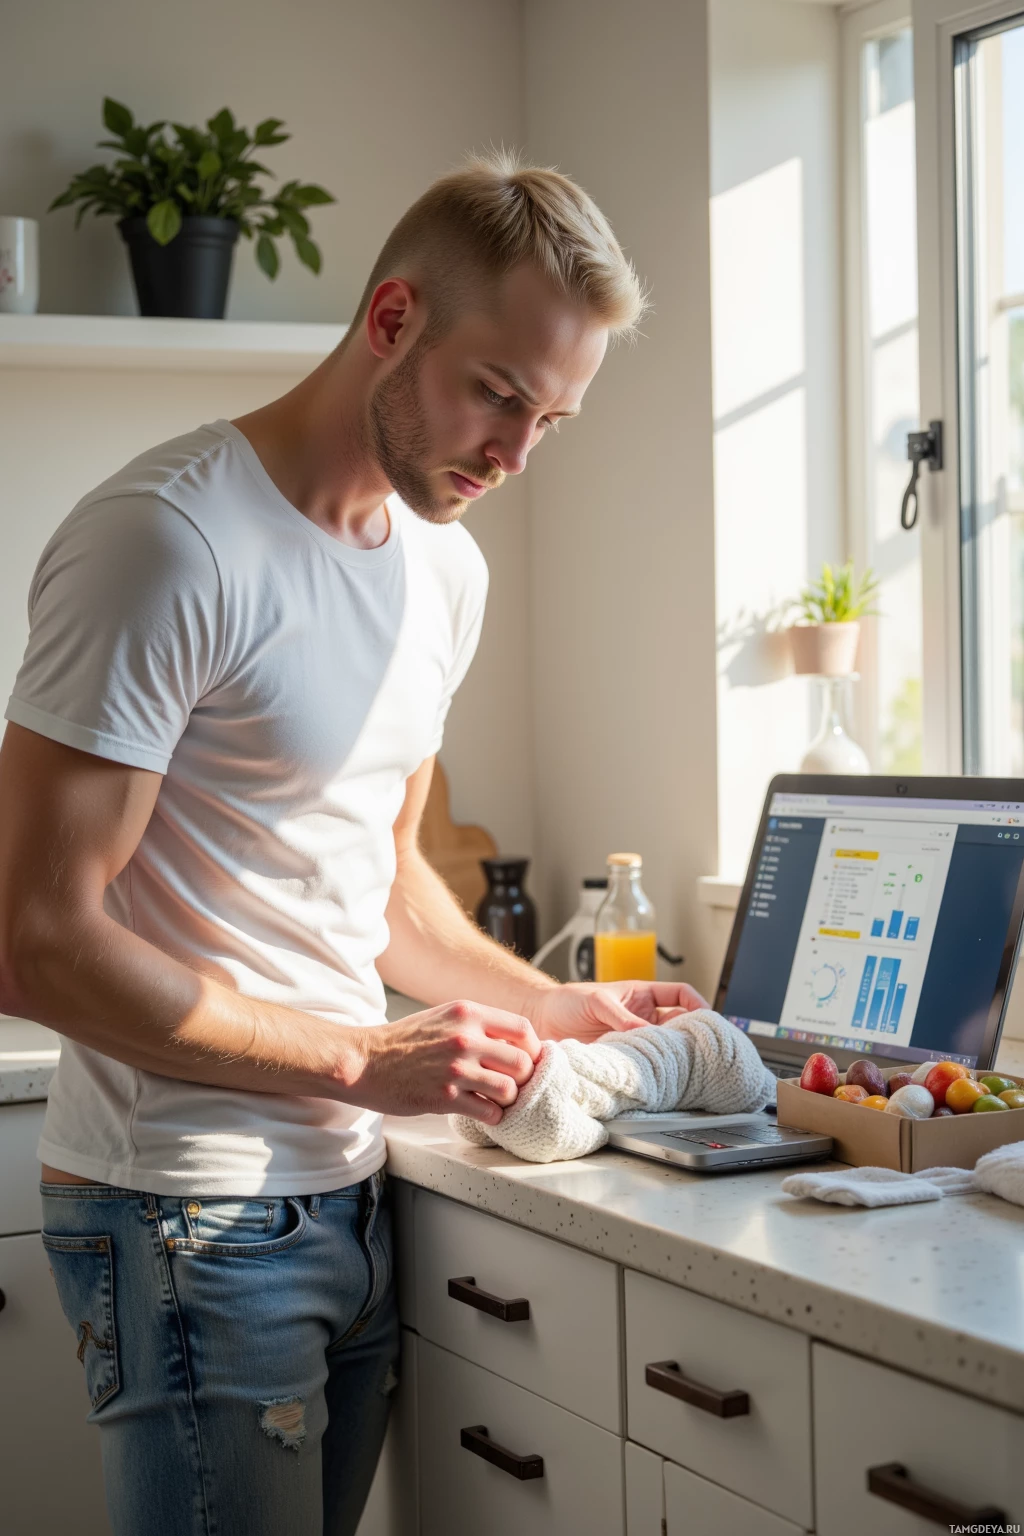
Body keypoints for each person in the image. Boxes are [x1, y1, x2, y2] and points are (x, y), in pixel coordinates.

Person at [0, 151, 705, 1536]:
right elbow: (29, 941)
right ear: (391, 321)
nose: (512, 454)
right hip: (187, 1212)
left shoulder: (444, 568)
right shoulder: (167, 542)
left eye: (551, 420)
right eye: (497, 393)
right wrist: (360, 1059)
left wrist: (550, 1004)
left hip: (354, 1195)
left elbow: (382, 886)